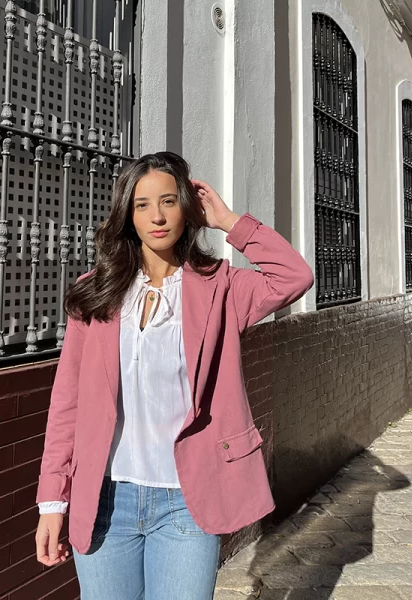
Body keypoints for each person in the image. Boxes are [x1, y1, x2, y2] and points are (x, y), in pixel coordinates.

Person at [35, 151, 314, 599]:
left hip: (187, 500)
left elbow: (294, 276)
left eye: (168, 201)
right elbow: (67, 403)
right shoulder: (94, 293)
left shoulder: (220, 287)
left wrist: (229, 221)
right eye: (142, 204)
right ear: (127, 214)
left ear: (188, 207)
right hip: (107, 498)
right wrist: (53, 500)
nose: (157, 216)